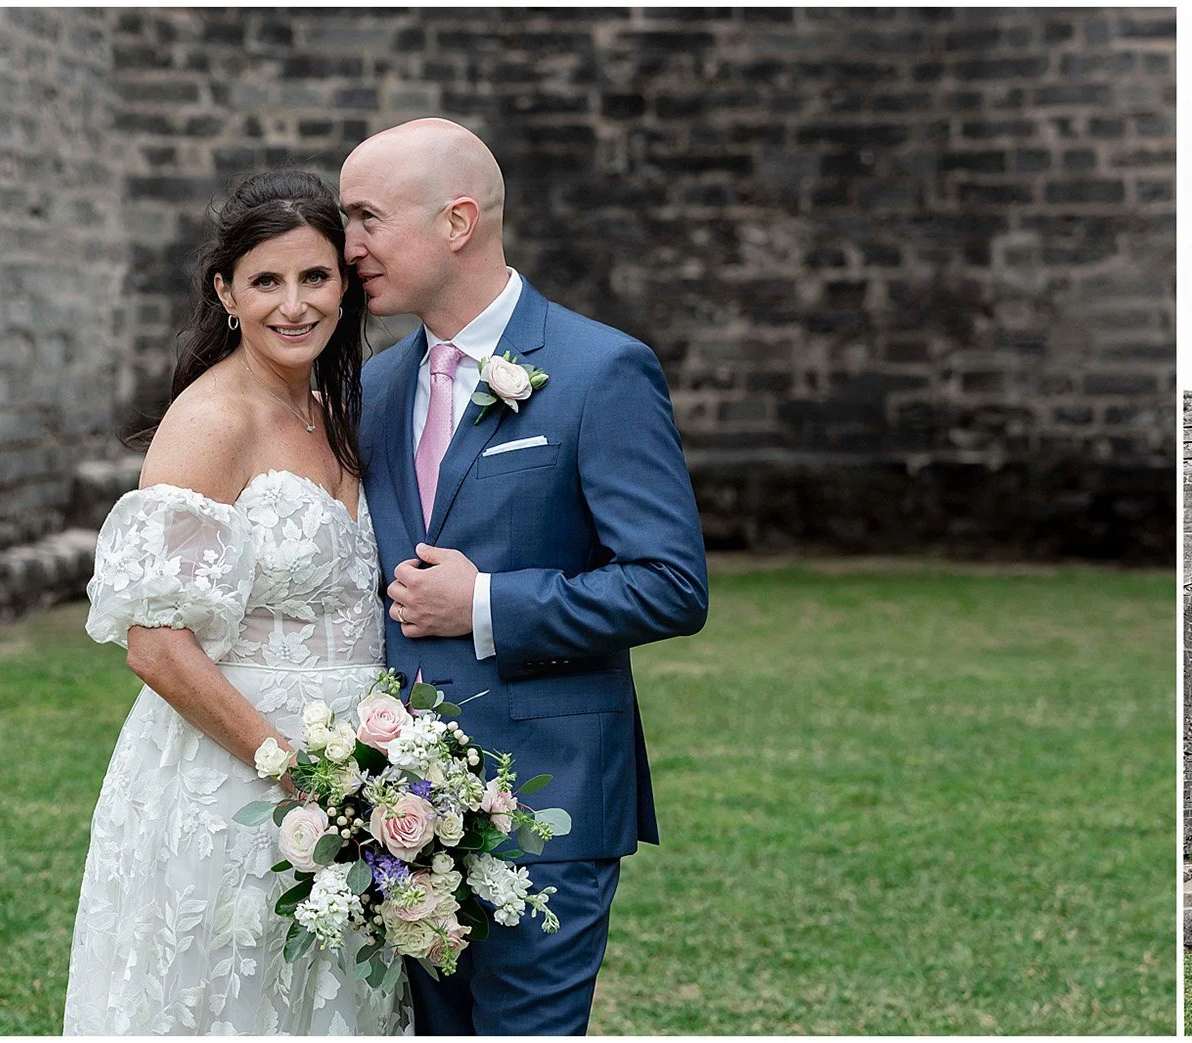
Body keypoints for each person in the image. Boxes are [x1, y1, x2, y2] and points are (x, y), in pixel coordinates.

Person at [342, 117, 710, 1035]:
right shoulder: (373, 387)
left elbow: (670, 582)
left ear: (457, 221)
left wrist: (486, 603)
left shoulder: (600, 370)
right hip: (398, 815)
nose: (346, 249)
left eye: (366, 219)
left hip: (548, 803)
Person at [63, 169, 409, 1035]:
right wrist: (295, 771)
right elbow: (156, 644)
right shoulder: (210, 421)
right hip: (235, 786)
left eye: (315, 278)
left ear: (346, 285)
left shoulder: (334, 414)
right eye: (266, 281)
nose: (294, 305)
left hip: (355, 786)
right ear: (226, 291)